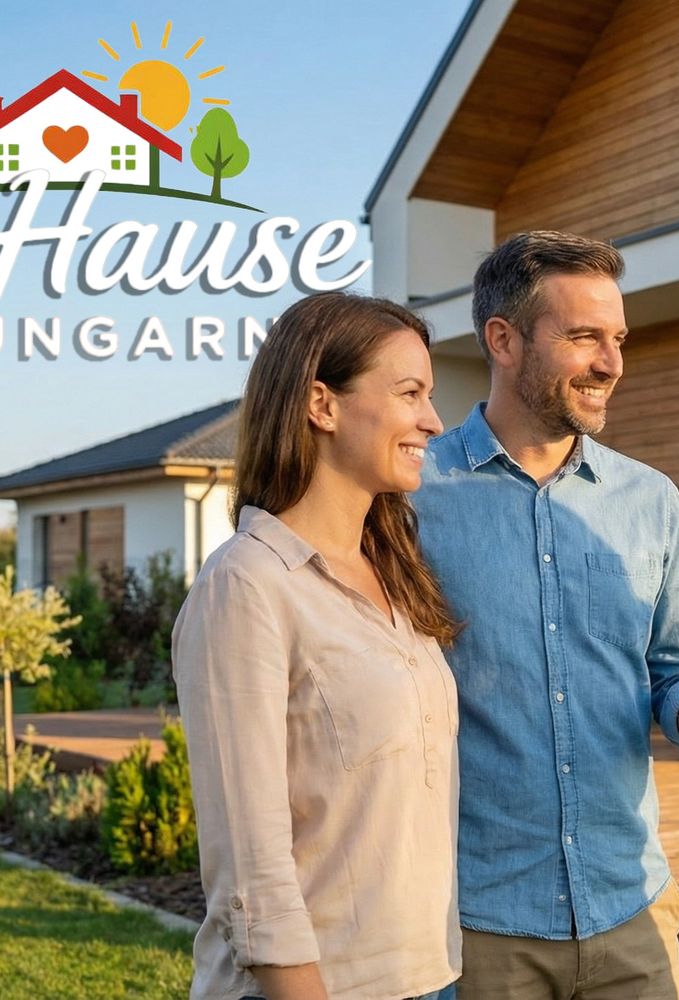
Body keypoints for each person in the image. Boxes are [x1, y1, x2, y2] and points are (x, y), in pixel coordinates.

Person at [410, 230, 679, 1000]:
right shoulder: (413, 495)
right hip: (477, 923)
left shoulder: (650, 501)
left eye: (617, 338)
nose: (611, 363)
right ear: (502, 339)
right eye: (583, 336)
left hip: (631, 910)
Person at [172, 292, 462, 1000]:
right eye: (409, 393)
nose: (432, 420)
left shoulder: (398, 576)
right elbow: (250, 860)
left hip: (427, 977)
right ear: (322, 405)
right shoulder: (247, 585)